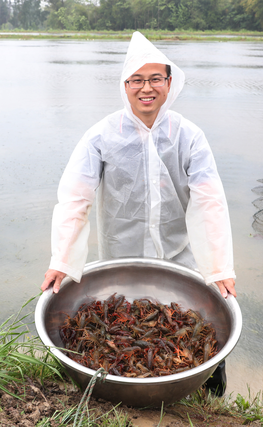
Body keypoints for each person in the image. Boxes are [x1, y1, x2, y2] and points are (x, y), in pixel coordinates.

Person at [40, 32, 236, 395]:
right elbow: (75, 198)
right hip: (122, 257)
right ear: (125, 85)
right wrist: (63, 259)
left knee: (193, 321)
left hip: (181, 257)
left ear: (169, 82)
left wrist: (220, 266)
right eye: (137, 80)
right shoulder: (101, 136)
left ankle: (210, 381)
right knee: (127, 326)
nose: (146, 88)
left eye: (155, 79)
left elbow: (210, 200)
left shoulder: (189, 136)